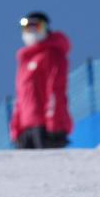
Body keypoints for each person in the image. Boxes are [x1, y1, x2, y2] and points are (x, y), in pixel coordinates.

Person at [10, 12, 72, 149]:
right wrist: (16, 128)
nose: (31, 32)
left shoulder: (52, 54)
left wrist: (53, 123)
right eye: (27, 28)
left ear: (45, 28)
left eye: (36, 27)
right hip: (26, 128)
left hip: (45, 126)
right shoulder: (24, 61)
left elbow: (56, 89)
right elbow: (21, 98)